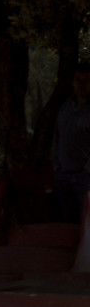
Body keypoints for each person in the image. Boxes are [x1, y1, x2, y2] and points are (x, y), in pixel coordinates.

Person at [51, 62, 90, 220]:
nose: (81, 84)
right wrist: (56, 164)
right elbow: (57, 136)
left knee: (85, 221)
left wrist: (87, 170)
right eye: (78, 80)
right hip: (63, 175)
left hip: (85, 178)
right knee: (68, 220)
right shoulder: (65, 107)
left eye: (86, 80)